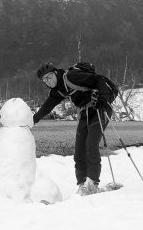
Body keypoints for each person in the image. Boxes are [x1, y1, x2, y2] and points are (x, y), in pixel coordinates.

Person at [33, 63, 113, 195]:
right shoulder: (57, 91)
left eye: (50, 76)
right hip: (84, 112)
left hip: (99, 108)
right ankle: (82, 185)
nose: (48, 81)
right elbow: (46, 108)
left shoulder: (71, 77)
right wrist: (31, 121)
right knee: (79, 151)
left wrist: (103, 99)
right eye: (45, 80)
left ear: (56, 73)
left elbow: (99, 80)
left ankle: (92, 183)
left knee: (91, 145)